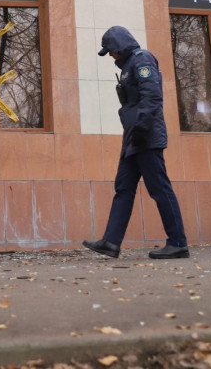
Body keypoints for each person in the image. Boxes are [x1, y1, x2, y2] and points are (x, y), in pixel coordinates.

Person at [83, 26, 189, 260]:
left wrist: (141, 128)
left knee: (159, 188)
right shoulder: (129, 66)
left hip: (145, 136)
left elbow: (152, 97)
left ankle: (178, 243)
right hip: (133, 137)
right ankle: (110, 242)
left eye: (111, 51)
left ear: (119, 46)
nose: (111, 55)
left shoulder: (142, 60)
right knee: (123, 188)